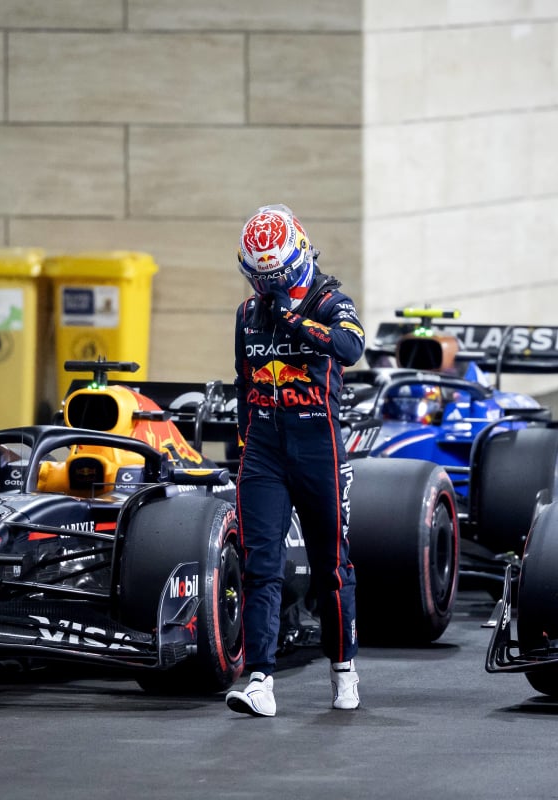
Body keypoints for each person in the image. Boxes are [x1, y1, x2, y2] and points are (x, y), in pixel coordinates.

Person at [226, 204, 365, 716]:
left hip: (319, 448)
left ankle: (344, 666)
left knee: (331, 566)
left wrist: (294, 318)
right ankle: (260, 678)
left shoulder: (331, 301)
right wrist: (245, 441)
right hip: (264, 450)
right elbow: (244, 382)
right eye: (259, 278)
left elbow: (352, 348)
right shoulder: (246, 315)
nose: (268, 286)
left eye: (275, 275)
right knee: (261, 566)